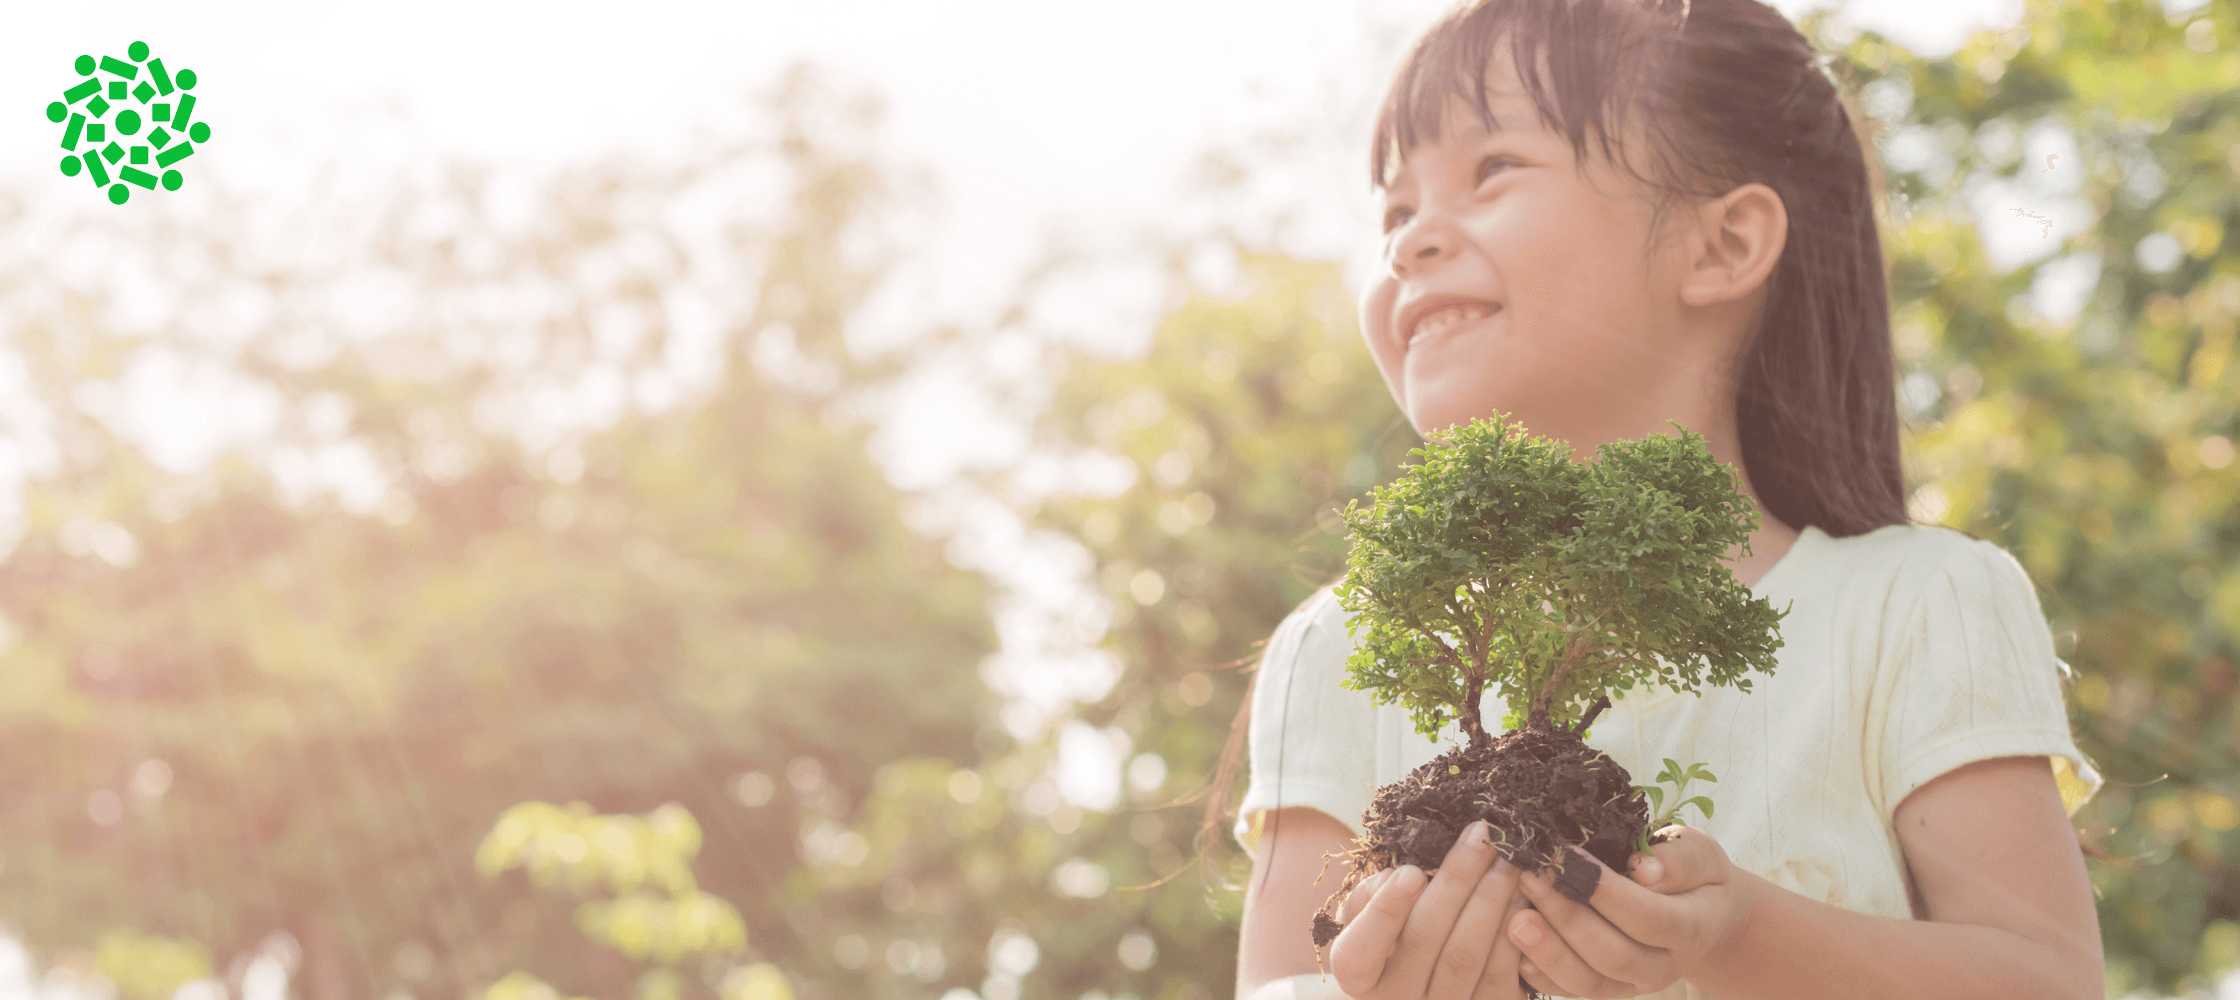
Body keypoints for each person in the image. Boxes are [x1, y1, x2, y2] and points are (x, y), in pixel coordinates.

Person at [1207, 1, 2108, 998]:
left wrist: (1742, 937)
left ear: (1721, 245)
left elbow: (2048, 980)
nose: (1409, 242)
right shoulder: (1337, 648)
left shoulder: (1918, 605)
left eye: (1493, 167)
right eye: (1393, 211)